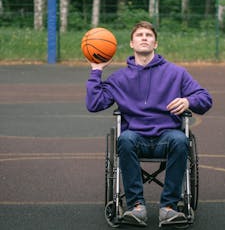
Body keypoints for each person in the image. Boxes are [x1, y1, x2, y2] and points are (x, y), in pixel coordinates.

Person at [85, 21, 212, 227]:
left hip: (167, 136)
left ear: (156, 43)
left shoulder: (176, 73)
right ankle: (136, 206)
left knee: (181, 139)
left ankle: (169, 207)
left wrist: (189, 101)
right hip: (135, 137)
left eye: (149, 35)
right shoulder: (119, 78)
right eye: (139, 35)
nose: (144, 37)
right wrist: (96, 70)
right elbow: (94, 104)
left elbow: (205, 98)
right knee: (124, 138)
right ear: (131, 44)